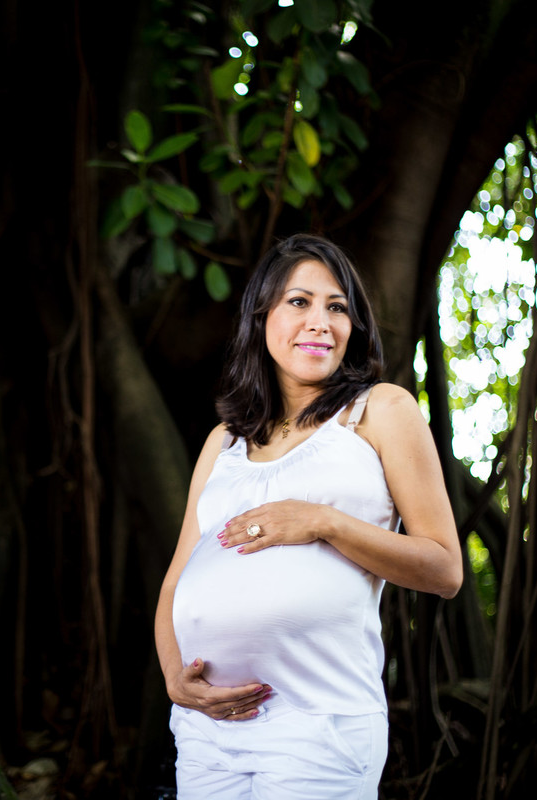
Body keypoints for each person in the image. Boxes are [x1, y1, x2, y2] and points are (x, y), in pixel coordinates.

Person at [154, 233, 462, 799]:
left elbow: (444, 569)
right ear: (261, 316)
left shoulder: (381, 411)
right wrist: (176, 680)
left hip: (319, 727)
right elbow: (177, 579)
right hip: (208, 732)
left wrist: (323, 521)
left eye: (337, 306)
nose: (320, 321)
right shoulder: (224, 440)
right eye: (299, 302)